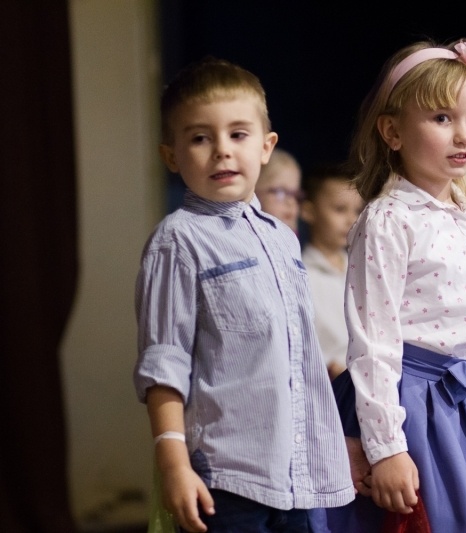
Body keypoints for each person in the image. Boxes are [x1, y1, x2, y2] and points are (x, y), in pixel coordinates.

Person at [332, 40, 466, 532]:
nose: (463, 135)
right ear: (392, 131)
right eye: (442, 119)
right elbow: (374, 343)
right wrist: (387, 448)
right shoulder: (388, 220)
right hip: (421, 412)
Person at [133, 57, 353, 533]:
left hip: (296, 472)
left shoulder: (282, 237)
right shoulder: (179, 240)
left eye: (238, 134)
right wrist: (174, 464)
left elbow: (301, 357)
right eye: (199, 138)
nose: (221, 152)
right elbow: (164, 362)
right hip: (228, 477)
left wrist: (336, 445)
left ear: (266, 146)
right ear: (171, 155)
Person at [300, 163, 364, 379]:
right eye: (339, 209)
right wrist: (329, 364)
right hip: (328, 384)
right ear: (309, 211)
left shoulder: (363, 270)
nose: (351, 220)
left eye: (357, 211)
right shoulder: (301, 274)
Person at [255, 147, 303, 232]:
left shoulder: (294, 240)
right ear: (254, 192)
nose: (291, 202)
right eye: (280, 192)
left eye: (295, 195)